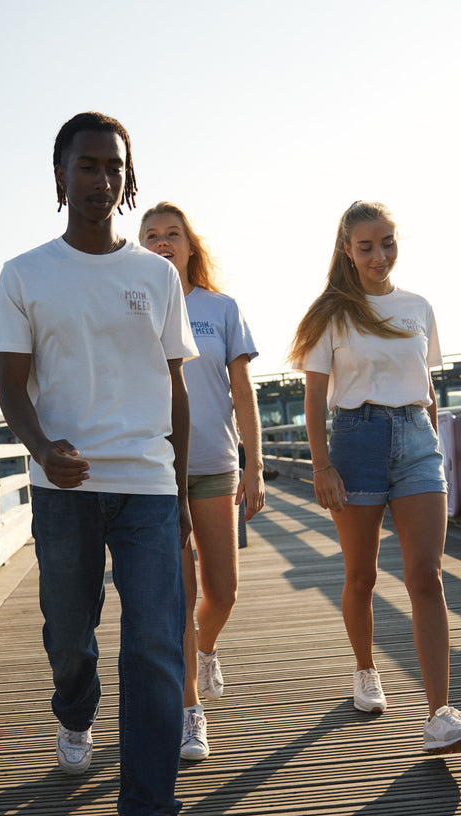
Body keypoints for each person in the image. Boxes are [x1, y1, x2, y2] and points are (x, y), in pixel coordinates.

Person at [0, 112, 204, 816]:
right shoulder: (24, 273)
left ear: (126, 176)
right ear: (59, 176)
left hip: (144, 483)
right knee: (68, 635)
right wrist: (43, 448)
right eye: (85, 165)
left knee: (151, 642)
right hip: (63, 487)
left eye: (113, 166)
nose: (100, 178)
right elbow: (10, 386)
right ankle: (74, 713)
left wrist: (177, 492)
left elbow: (175, 387)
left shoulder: (156, 274)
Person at [286, 200, 461, 755]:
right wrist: (321, 465)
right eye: (367, 245)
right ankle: (366, 670)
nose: (380, 255)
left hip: (417, 442)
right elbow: (314, 396)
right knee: (362, 576)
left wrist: (430, 442)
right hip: (357, 442)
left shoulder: (419, 307)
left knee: (427, 575)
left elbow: (426, 386)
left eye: (388, 242)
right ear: (347, 250)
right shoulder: (331, 313)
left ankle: (440, 715)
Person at [139, 202, 265, 762]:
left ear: (191, 245)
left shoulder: (221, 308)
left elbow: (243, 391)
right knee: (178, 595)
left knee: (223, 590)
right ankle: (192, 711)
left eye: (172, 234)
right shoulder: (134, 308)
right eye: (151, 236)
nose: (163, 242)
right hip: (155, 470)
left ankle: (205, 648)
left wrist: (255, 463)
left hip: (216, 463)